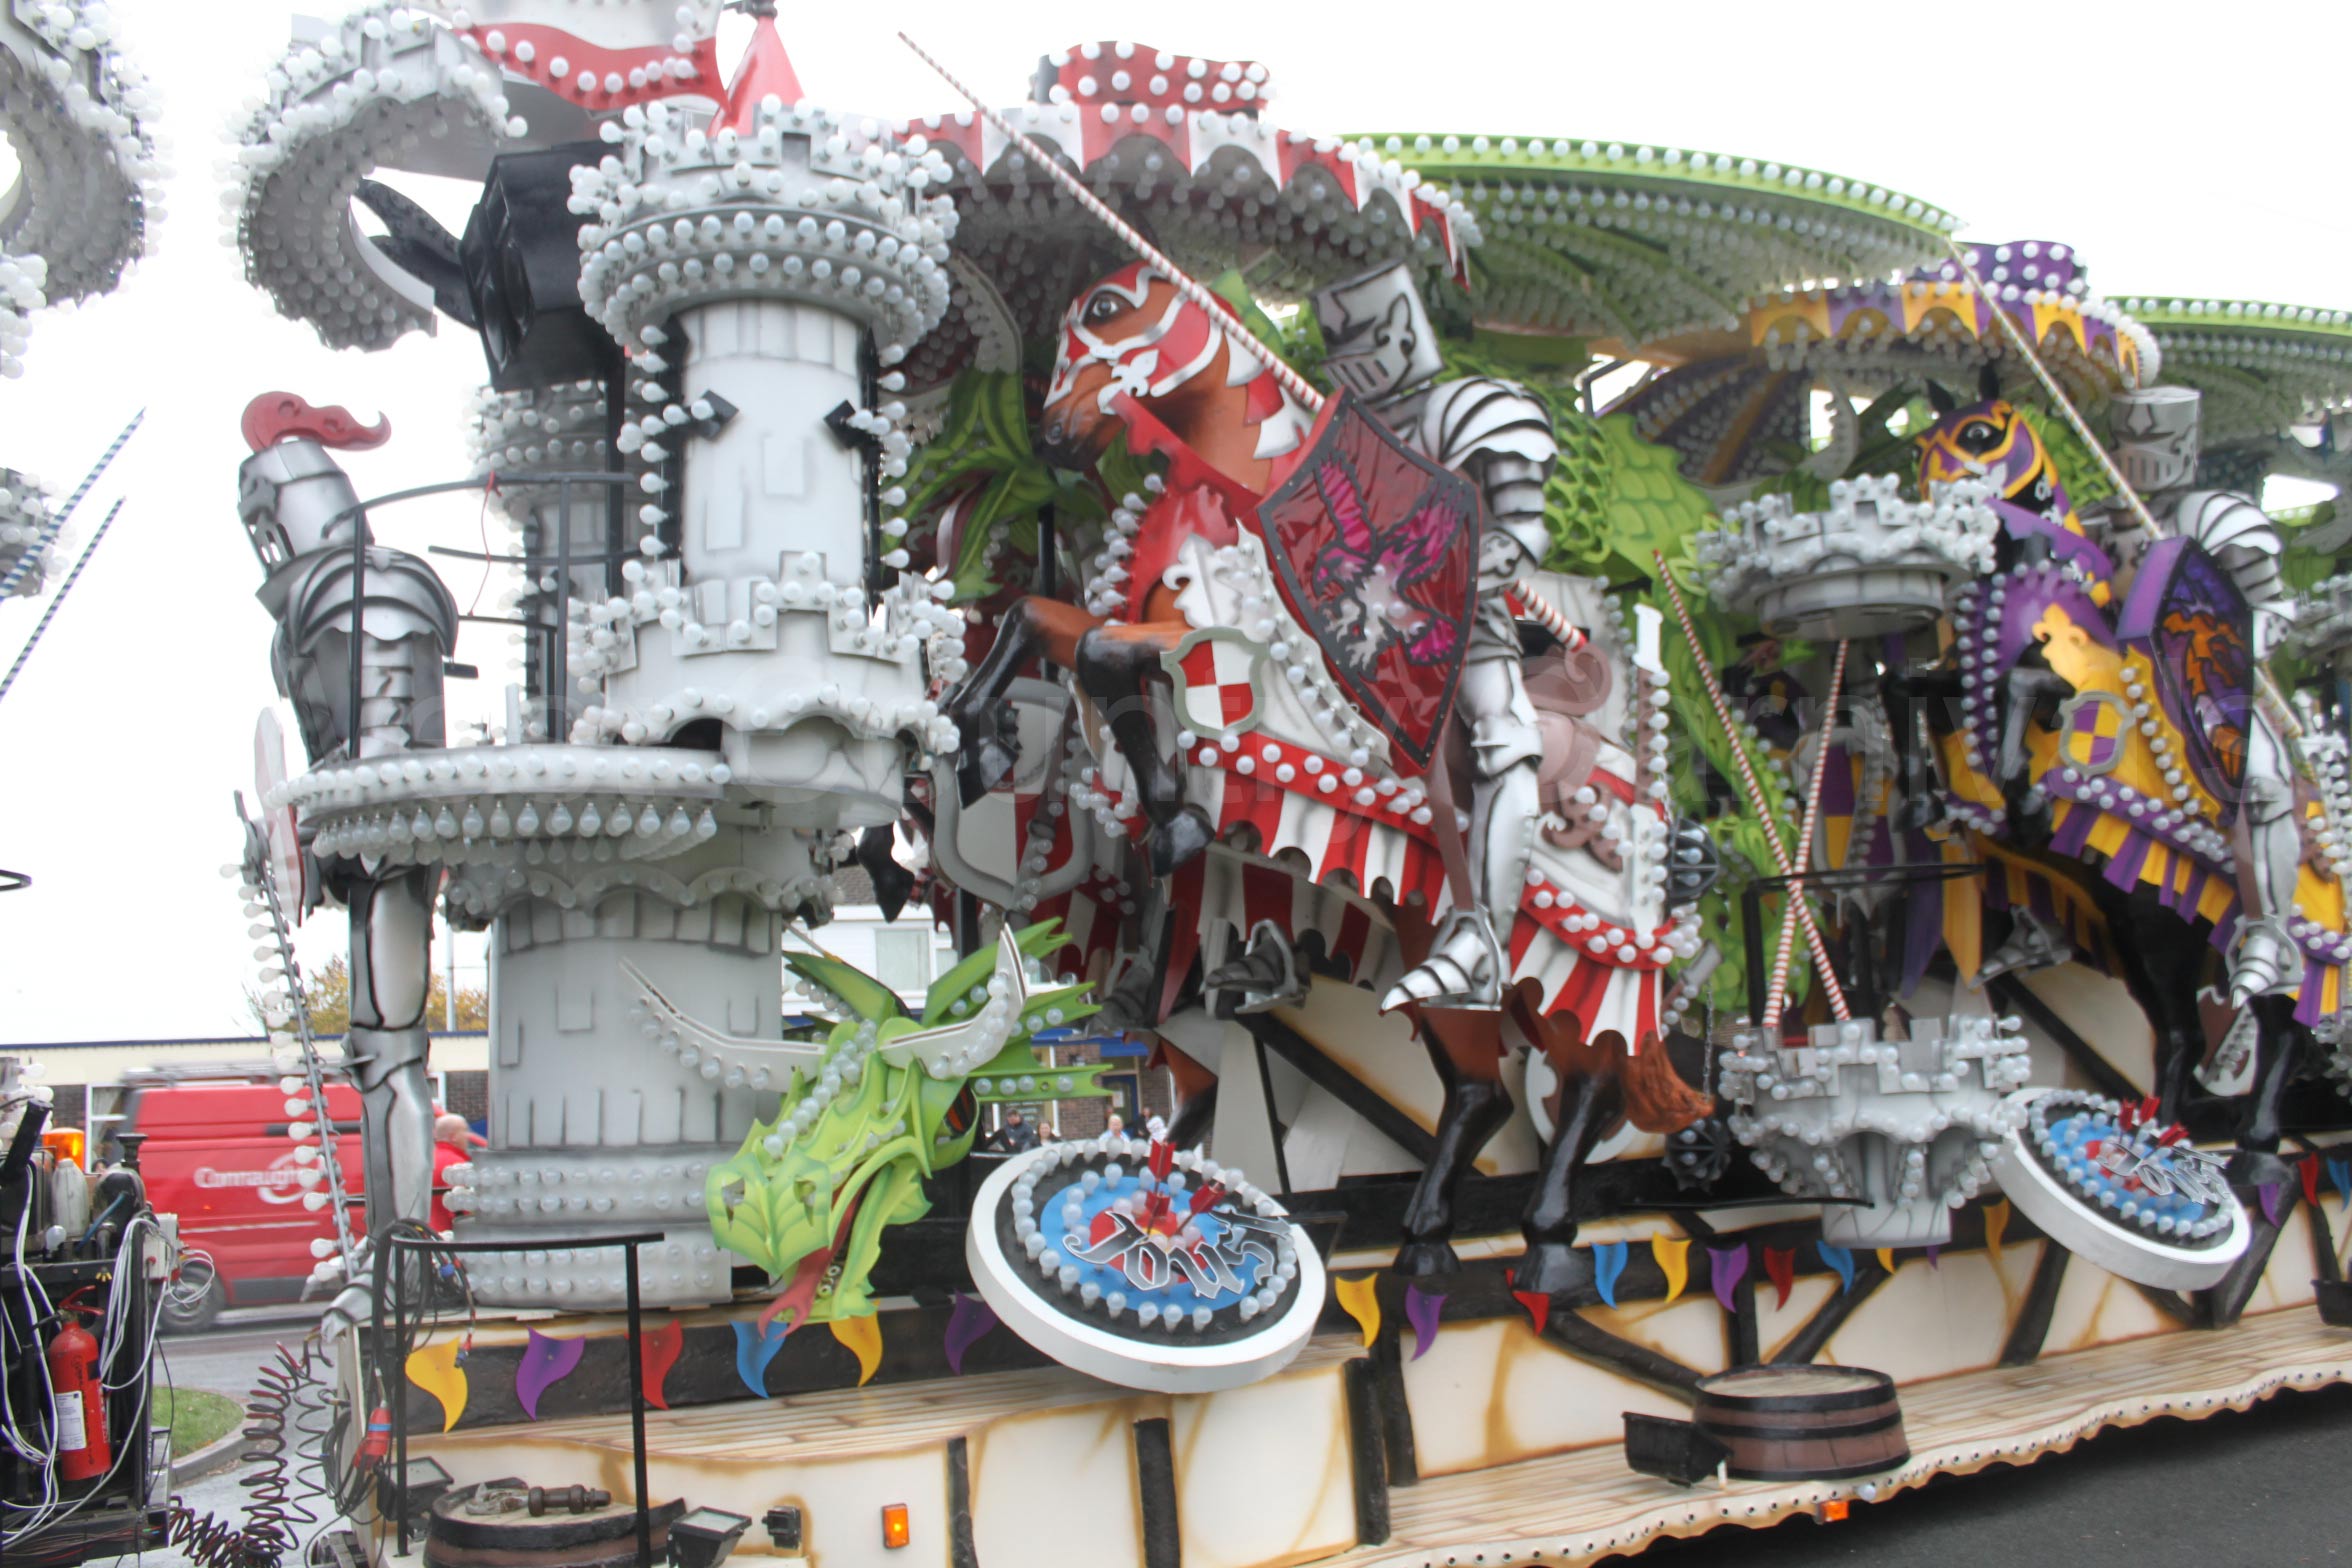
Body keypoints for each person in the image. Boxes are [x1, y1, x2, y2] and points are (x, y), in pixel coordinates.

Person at [428, 1113, 473, 1233]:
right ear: (454, 1137)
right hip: (448, 1236)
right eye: (464, 1131)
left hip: (427, 1233)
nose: (468, 1136)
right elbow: (463, 1210)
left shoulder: (429, 1160)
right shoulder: (457, 1167)